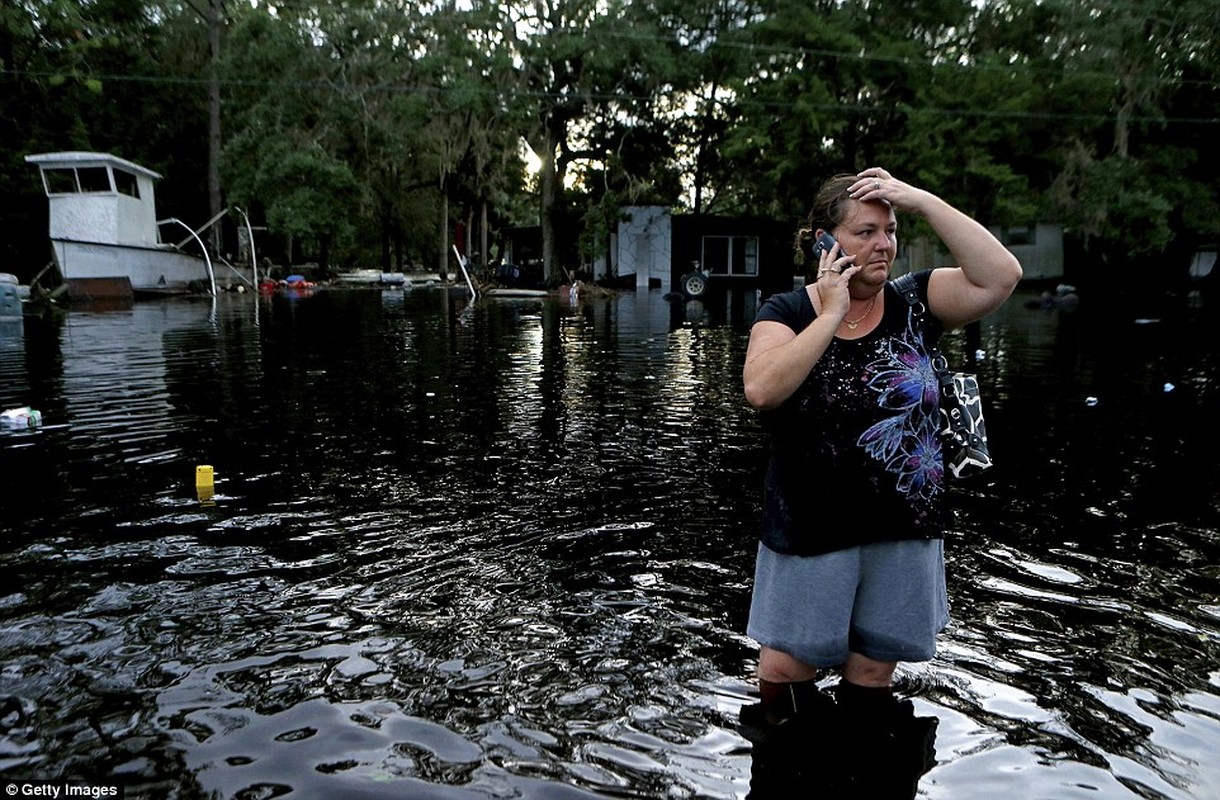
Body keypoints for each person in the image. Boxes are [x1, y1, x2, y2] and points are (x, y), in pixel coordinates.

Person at [739, 167, 1021, 754]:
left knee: (871, 678)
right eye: (866, 231)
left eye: (889, 231)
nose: (883, 244)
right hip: (811, 530)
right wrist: (829, 314)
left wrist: (918, 199)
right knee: (785, 676)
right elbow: (763, 389)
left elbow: (1001, 277)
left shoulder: (916, 301)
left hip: (902, 530)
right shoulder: (786, 311)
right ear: (824, 242)